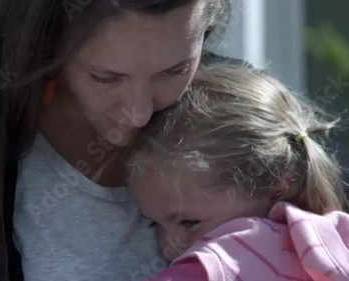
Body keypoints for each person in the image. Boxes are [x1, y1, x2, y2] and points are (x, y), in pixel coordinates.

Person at [0, 1, 238, 281]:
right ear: (43, 43)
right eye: (105, 77)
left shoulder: (244, 116)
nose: (138, 112)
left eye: (174, 71)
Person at [127, 63, 349, 280]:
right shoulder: (331, 242)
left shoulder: (223, 258)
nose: (169, 246)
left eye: (189, 223)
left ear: (275, 188)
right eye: (155, 225)